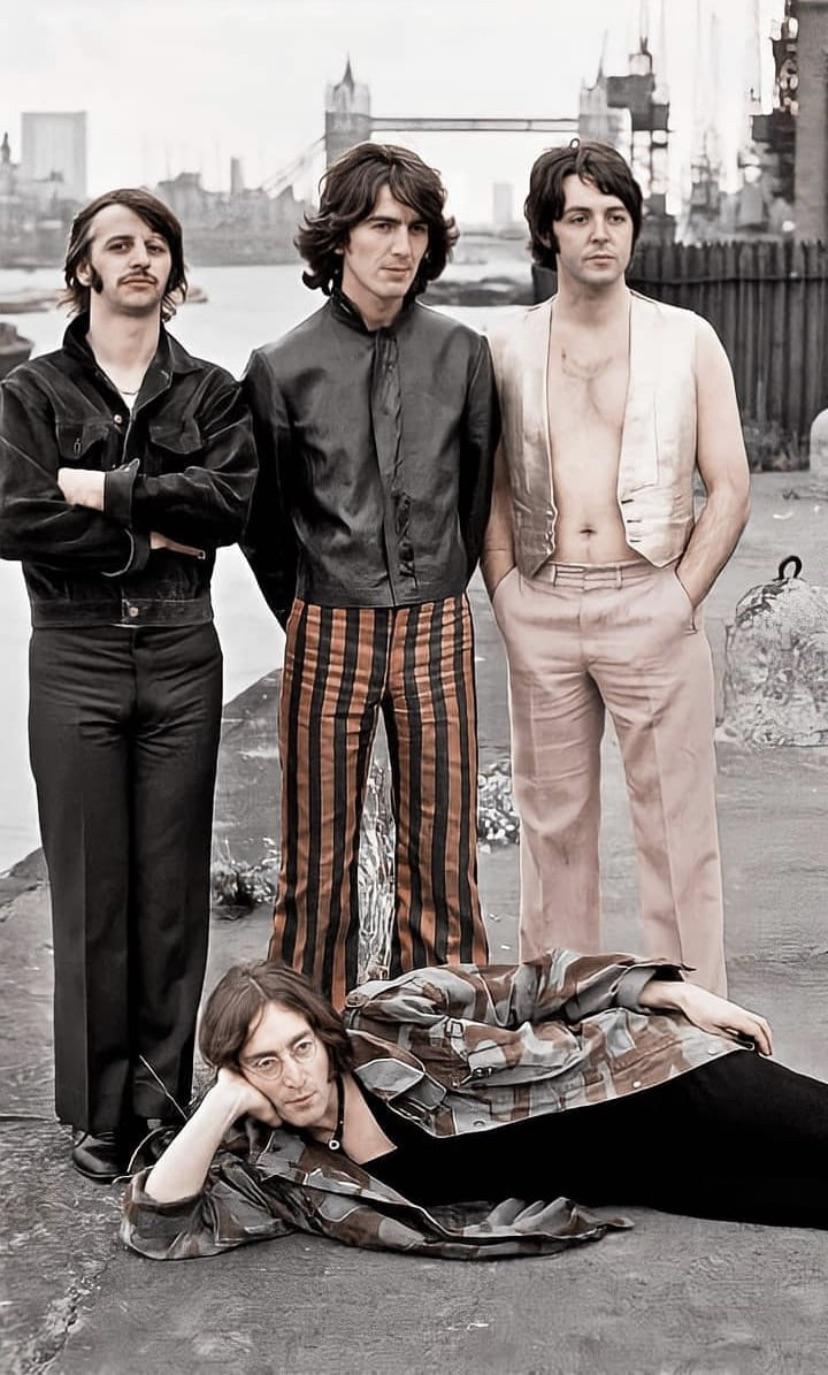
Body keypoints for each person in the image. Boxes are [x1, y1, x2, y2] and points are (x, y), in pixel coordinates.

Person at [0, 188, 257, 1181]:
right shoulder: (31, 394)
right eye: (120, 245)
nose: (140, 258)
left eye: (155, 245)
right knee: (90, 891)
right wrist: (147, 533)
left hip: (184, 651)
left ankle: (159, 1102)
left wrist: (103, 489)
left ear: (173, 272)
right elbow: (14, 517)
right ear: (85, 269)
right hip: (74, 652)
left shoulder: (213, 393)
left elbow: (227, 504)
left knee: (170, 890)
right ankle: (99, 1114)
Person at [481, 141, 751, 996]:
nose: (600, 232)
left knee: (678, 832)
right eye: (578, 216)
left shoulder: (688, 339)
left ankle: (700, 1030)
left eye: (616, 215)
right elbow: (490, 490)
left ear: (634, 228)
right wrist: (506, 593)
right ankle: (564, 1026)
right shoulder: (505, 345)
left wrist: (680, 595)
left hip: (652, 597)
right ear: (548, 232)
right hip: (543, 599)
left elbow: (731, 485)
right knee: (552, 834)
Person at [241, 143, 499, 1008]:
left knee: (445, 855)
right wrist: (309, 606)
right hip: (325, 620)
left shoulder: (464, 353)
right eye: (381, 225)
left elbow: (474, 497)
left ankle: (449, 1042)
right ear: (340, 238)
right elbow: (264, 521)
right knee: (315, 862)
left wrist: (439, 581)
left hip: (437, 621)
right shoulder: (282, 366)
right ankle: (306, 1044)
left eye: (416, 227)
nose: (401, 245)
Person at [122, 951, 828, 1263]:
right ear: (240, 1073)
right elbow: (156, 1229)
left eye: (301, 1046)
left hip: (651, 1073)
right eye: (265, 1063)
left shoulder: (389, 1016)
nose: (296, 1075)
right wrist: (222, 1101)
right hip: (644, 1177)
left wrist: (672, 992)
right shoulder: (279, 1172)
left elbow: (530, 983)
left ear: (323, 1032)